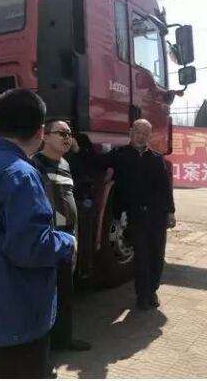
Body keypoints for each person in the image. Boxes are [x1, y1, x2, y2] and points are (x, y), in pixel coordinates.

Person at [0, 89, 75, 378]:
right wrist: (68, 242)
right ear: (40, 131)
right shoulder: (21, 174)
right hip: (15, 323)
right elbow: (31, 247)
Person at [99, 119, 176, 310]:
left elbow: (165, 188)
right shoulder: (119, 155)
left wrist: (170, 212)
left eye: (145, 133)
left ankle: (152, 291)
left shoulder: (156, 158)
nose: (140, 136)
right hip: (135, 216)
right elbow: (95, 162)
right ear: (131, 132)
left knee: (157, 255)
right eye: (138, 132)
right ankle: (142, 295)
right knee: (141, 255)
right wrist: (77, 149)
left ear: (149, 136)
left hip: (157, 215)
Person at [32, 119, 91, 352]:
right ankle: (42, 351)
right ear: (45, 137)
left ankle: (64, 339)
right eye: (61, 133)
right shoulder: (34, 165)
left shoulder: (65, 164)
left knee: (66, 291)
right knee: (46, 295)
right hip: (49, 237)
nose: (67, 138)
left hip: (66, 236)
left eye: (69, 133)